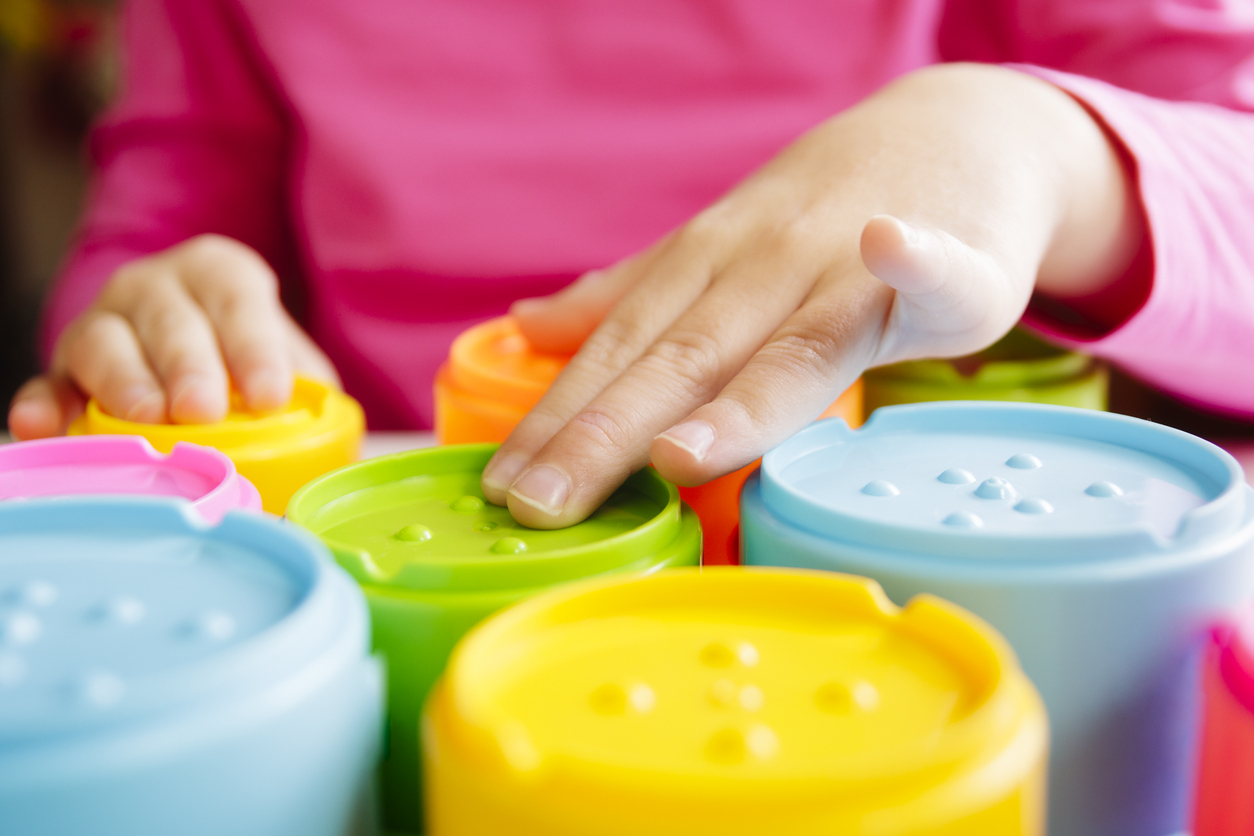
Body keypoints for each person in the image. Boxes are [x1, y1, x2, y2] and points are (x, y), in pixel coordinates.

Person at [9, 0, 1254, 529]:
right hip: (404, 534)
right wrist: (166, 298)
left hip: (913, 554)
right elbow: (167, 207)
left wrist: (1035, 144)